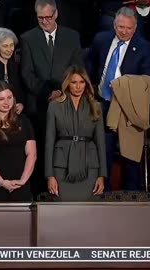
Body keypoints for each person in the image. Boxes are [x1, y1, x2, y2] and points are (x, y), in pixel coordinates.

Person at [86, 6, 150, 191]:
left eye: (129, 28)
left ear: (135, 26)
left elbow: (149, 79)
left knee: (130, 155)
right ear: (114, 24)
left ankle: (132, 197)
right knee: (104, 152)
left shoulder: (144, 47)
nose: (124, 32)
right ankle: (104, 195)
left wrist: (123, 85)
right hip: (103, 103)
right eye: (120, 27)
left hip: (128, 108)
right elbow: (90, 64)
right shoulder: (101, 39)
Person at [20, 0, 83, 196]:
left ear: (56, 14)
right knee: (41, 150)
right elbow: (27, 74)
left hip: (68, 102)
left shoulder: (72, 36)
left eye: (48, 17)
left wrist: (63, 92)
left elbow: (77, 69)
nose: (45, 21)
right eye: (41, 18)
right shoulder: (28, 38)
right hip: (39, 105)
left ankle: (67, 191)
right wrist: (48, 93)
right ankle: (41, 193)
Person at [45, 66, 106, 201]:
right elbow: (49, 142)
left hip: (89, 165)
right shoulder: (54, 106)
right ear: (67, 83)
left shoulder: (95, 107)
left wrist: (102, 175)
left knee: (89, 212)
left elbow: (101, 142)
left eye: (82, 82)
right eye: (74, 82)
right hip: (62, 166)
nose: (78, 86)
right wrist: (50, 175)